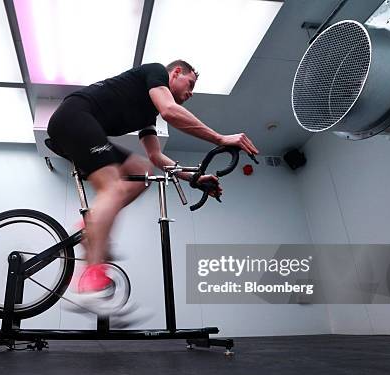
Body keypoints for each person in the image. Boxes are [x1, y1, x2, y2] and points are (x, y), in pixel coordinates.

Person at [47, 60, 259, 305]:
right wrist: (220, 139)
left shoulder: (149, 113)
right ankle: (90, 276)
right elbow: (169, 110)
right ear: (176, 72)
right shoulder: (156, 71)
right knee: (114, 187)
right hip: (73, 117)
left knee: (141, 172)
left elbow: (155, 156)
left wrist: (194, 178)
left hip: (81, 125)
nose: (190, 93)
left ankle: (95, 219)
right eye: (190, 84)